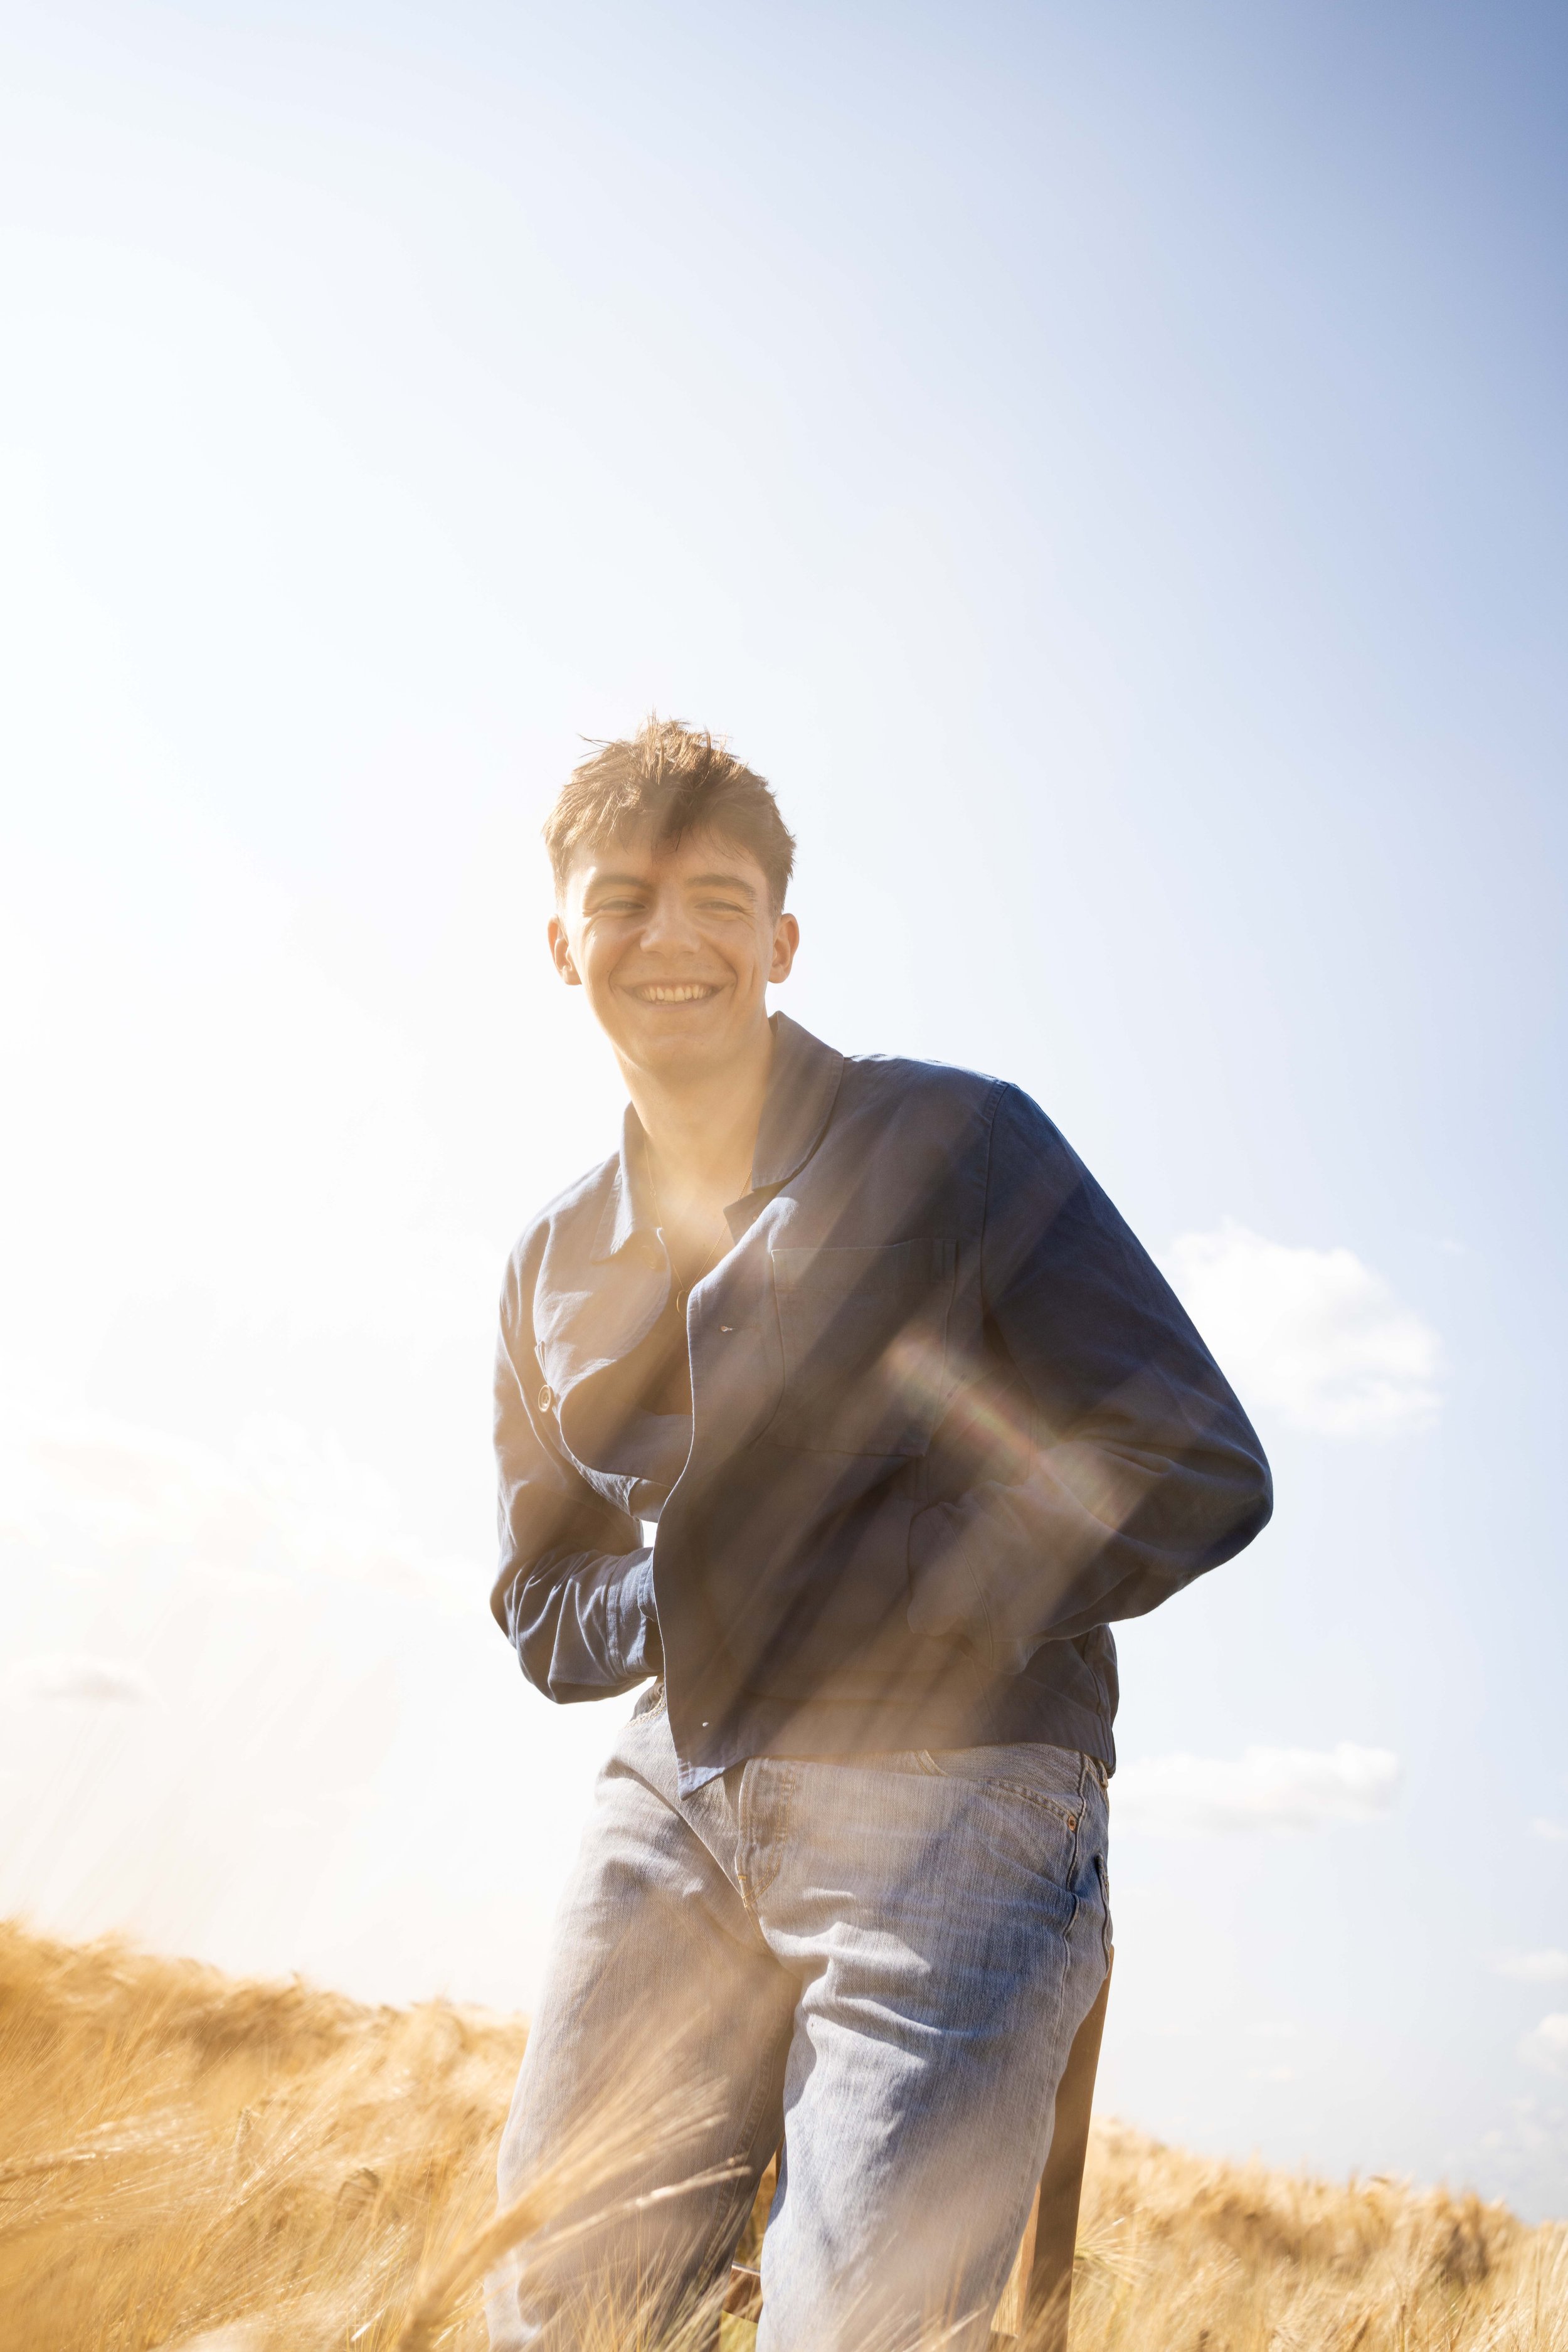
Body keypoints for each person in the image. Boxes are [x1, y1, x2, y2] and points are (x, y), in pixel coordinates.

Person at [485, 719, 1271, 2352]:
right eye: (622, 899)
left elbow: (1189, 1456)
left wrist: (890, 1599)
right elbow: (545, 1602)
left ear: (779, 940)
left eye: (718, 898)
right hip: (671, 1797)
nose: (671, 936)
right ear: (562, 944)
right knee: (559, 2311)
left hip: (963, 1790)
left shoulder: (961, 1146)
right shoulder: (546, 1265)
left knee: (864, 2334)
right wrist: (692, 1605)